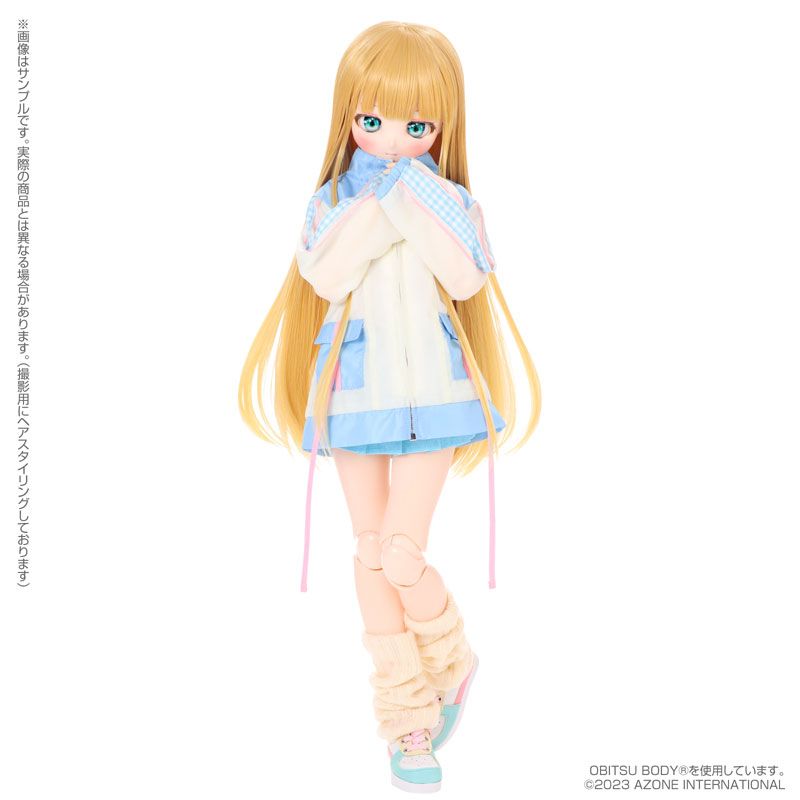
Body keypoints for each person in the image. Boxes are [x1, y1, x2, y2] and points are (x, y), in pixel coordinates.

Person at [239, 20, 541, 792]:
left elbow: (466, 278)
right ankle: (406, 714)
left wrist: (413, 195)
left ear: (442, 126)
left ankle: (451, 657)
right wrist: (378, 202)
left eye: (417, 125)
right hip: (355, 396)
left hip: (437, 398)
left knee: (403, 552)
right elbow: (326, 274)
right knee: (371, 550)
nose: (393, 139)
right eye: (372, 121)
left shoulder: (454, 202)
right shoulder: (331, 203)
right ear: (347, 118)